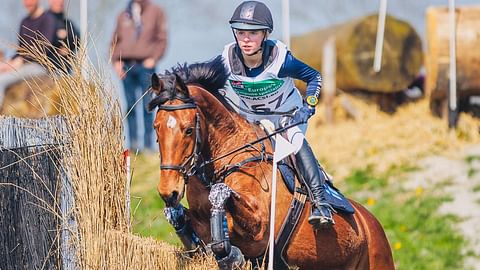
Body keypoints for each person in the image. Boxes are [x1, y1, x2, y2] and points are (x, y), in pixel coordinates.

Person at [219, 1, 335, 228]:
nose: (245, 39)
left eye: (252, 33)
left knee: (296, 140)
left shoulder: (281, 60)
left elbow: (314, 77)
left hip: (286, 116)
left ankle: (321, 204)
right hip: (252, 119)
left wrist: (308, 106)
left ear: (265, 35)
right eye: (241, 32)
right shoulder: (227, 58)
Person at [110, 0, 167, 151]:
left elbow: (162, 39)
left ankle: (149, 146)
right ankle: (134, 146)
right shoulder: (124, 14)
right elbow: (115, 41)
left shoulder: (155, 11)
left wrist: (153, 58)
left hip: (146, 66)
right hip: (126, 65)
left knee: (148, 105)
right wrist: (116, 61)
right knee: (130, 106)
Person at [0, 0, 56, 107]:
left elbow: (43, 48)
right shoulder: (24, 21)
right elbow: (20, 49)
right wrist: (9, 62)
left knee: (1, 80)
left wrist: (20, 61)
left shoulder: (48, 19)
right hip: (22, 63)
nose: (27, 4)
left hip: (39, 66)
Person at [47, 0, 80, 73]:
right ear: (50, 1)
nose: (60, 2)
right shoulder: (44, 20)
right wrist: (58, 39)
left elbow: (77, 40)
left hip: (65, 68)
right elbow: (43, 41)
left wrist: (66, 36)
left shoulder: (67, 22)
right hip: (47, 67)